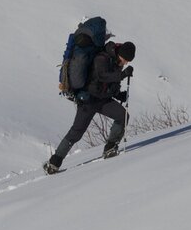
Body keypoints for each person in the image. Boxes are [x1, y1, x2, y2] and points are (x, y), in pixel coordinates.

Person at [45, 40, 135, 173]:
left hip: (103, 100)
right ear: (119, 53)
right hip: (89, 100)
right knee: (76, 132)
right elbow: (102, 76)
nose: (125, 62)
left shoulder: (117, 62)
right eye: (125, 59)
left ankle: (110, 148)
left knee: (123, 116)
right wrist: (122, 75)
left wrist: (118, 94)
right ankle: (54, 163)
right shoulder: (102, 58)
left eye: (128, 61)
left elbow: (110, 84)